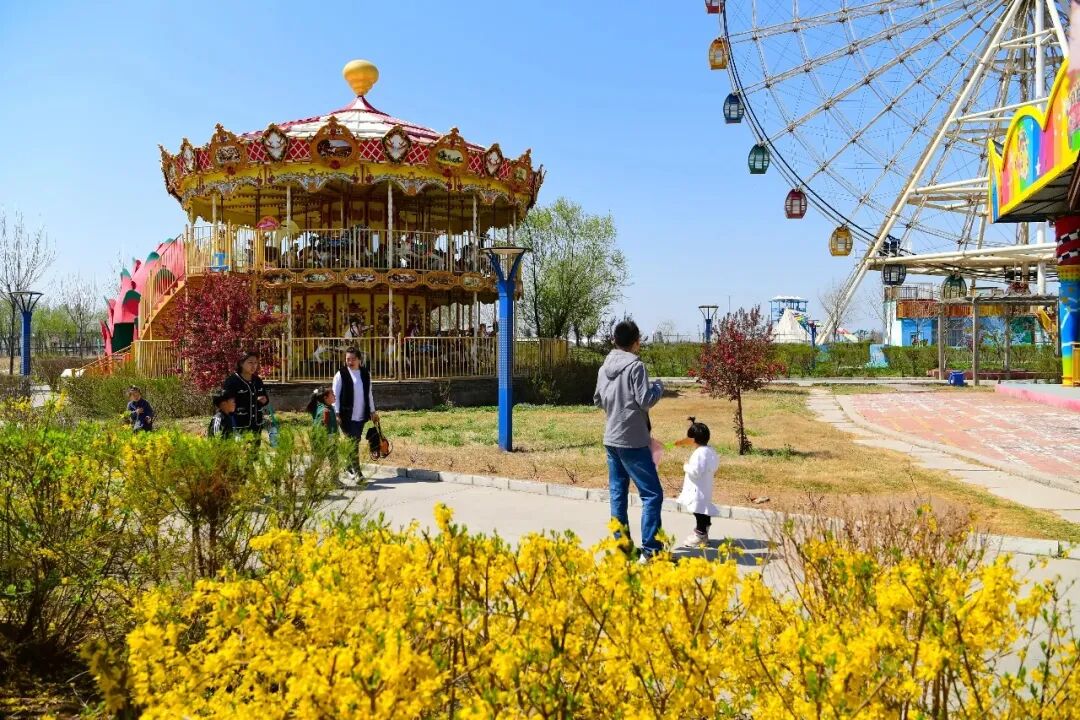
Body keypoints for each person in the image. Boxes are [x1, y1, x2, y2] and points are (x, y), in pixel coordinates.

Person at [593, 319, 665, 560]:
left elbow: (598, 399)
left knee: (617, 493)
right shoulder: (636, 367)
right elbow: (645, 400)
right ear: (636, 342)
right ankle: (652, 551)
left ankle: (624, 550)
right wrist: (658, 388)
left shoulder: (603, 368)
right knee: (652, 494)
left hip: (611, 438)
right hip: (632, 440)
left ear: (615, 340)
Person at [332, 346, 379, 479]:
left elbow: (369, 394)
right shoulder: (341, 374)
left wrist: (372, 411)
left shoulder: (365, 373)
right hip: (345, 416)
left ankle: (347, 467)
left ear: (359, 360)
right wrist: (336, 413)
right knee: (353, 443)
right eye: (347, 359)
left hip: (361, 415)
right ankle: (358, 473)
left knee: (355, 441)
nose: (350, 362)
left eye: (353, 359)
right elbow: (335, 395)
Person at [675, 417, 721, 549]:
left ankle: (699, 535)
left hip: (697, 489)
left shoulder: (699, 453)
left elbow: (696, 471)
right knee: (704, 510)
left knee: (698, 511)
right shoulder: (710, 450)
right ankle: (704, 534)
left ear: (693, 439)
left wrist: (686, 466)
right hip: (705, 488)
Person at [223, 351, 269, 438]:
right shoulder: (232, 381)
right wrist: (254, 400)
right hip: (238, 425)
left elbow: (265, 399)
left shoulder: (257, 381)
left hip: (256, 424)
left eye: (255, 363)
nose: (253, 366)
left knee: (255, 446)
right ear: (241, 363)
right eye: (250, 362)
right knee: (240, 447)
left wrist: (264, 400)